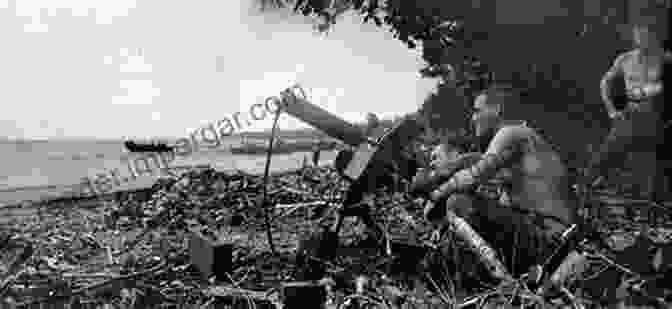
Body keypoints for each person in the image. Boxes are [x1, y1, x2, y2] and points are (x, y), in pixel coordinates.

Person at [411, 87, 578, 276]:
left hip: (548, 243)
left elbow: (473, 175)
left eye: (477, 111)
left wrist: (434, 189)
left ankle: (449, 277)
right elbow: (476, 166)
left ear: (496, 109)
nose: (473, 118)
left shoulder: (511, 133)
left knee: (459, 203)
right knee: (464, 215)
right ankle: (433, 270)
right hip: (551, 242)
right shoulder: (525, 144)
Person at [590, 20, 669, 202]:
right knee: (606, 154)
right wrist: (611, 110)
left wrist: (651, 89)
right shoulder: (625, 59)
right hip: (629, 116)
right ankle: (587, 187)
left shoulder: (663, 59)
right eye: (638, 35)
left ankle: (646, 202)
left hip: (653, 119)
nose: (642, 39)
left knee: (647, 166)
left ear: (654, 37)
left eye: (646, 35)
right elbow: (605, 83)